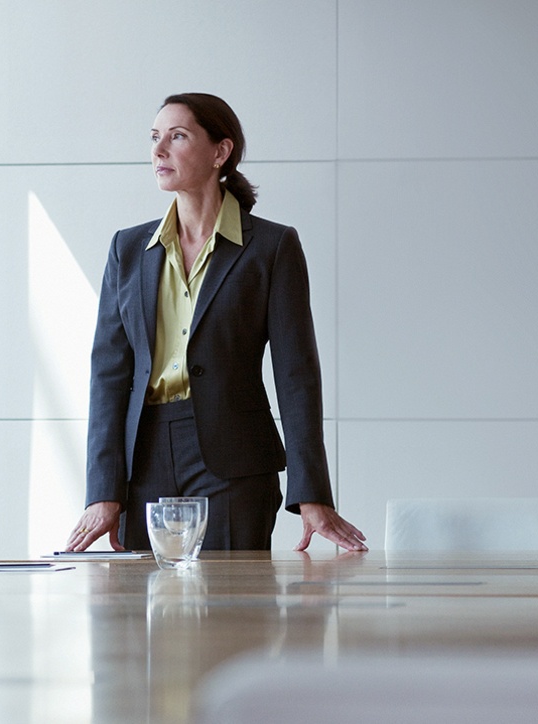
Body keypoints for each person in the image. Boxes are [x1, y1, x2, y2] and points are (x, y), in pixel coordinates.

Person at [64, 93, 367, 553]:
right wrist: (103, 491)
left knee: (234, 616)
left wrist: (312, 494)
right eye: (154, 137)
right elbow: (108, 376)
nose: (158, 150)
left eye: (177, 136)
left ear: (220, 152)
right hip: (142, 459)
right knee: (143, 619)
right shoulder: (127, 251)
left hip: (235, 464)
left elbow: (296, 375)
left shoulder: (271, 247)